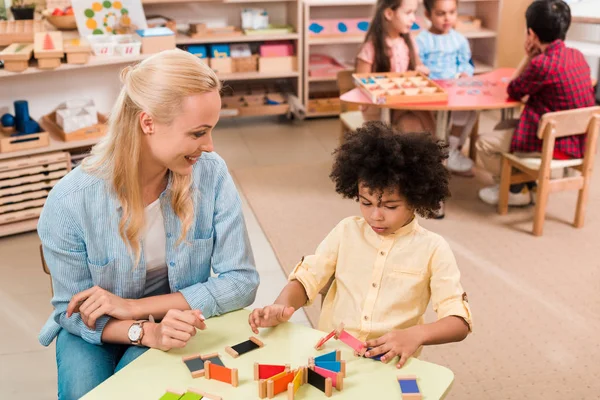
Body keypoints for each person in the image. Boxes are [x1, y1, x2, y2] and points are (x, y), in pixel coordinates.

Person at [37, 49, 260, 399]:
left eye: (211, 131)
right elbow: (72, 312)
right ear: (148, 122)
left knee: (136, 389)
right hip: (95, 331)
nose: (209, 145)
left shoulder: (211, 174)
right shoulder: (70, 201)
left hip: (174, 322)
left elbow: (242, 281)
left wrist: (136, 309)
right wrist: (141, 332)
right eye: (198, 133)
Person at [248, 121, 472, 368]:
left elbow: (458, 321)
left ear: (417, 198)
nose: (376, 215)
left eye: (390, 206)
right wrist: (281, 306)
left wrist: (416, 335)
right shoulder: (346, 231)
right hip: (332, 355)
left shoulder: (433, 249)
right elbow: (307, 278)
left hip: (391, 361)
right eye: (365, 203)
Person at [477, 0, 596, 206]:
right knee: (502, 126)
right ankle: (527, 184)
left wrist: (528, 57)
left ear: (531, 34)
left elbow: (514, 89)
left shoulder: (542, 64)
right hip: (577, 141)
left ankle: (514, 187)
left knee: (484, 142)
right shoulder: (577, 56)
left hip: (552, 143)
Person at [417, 0, 478, 175]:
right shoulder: (421, 40)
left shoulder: (459, 40)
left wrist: (465, 74)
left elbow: (465, 64)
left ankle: (451, 149)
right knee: (434, 123)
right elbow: (418, 67)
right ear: (428, 15)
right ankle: (437, 152)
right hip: (432, 91)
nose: (447, 18)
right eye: (440, 13)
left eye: (452, 12)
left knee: (470, 110)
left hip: (455, 88)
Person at [356, 0, 435, 134]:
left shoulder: (408, 41)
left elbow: (418, 65)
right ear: (389, 14)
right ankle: (437, 151)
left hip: (403, 104)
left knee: (419, 118)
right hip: (379, 108)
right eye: (408, 13)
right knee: (413, 123)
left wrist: (420, 70)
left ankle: (437, 150)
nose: (413, 18)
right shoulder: (372, 47)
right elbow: (361, 85)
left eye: (414, 13)